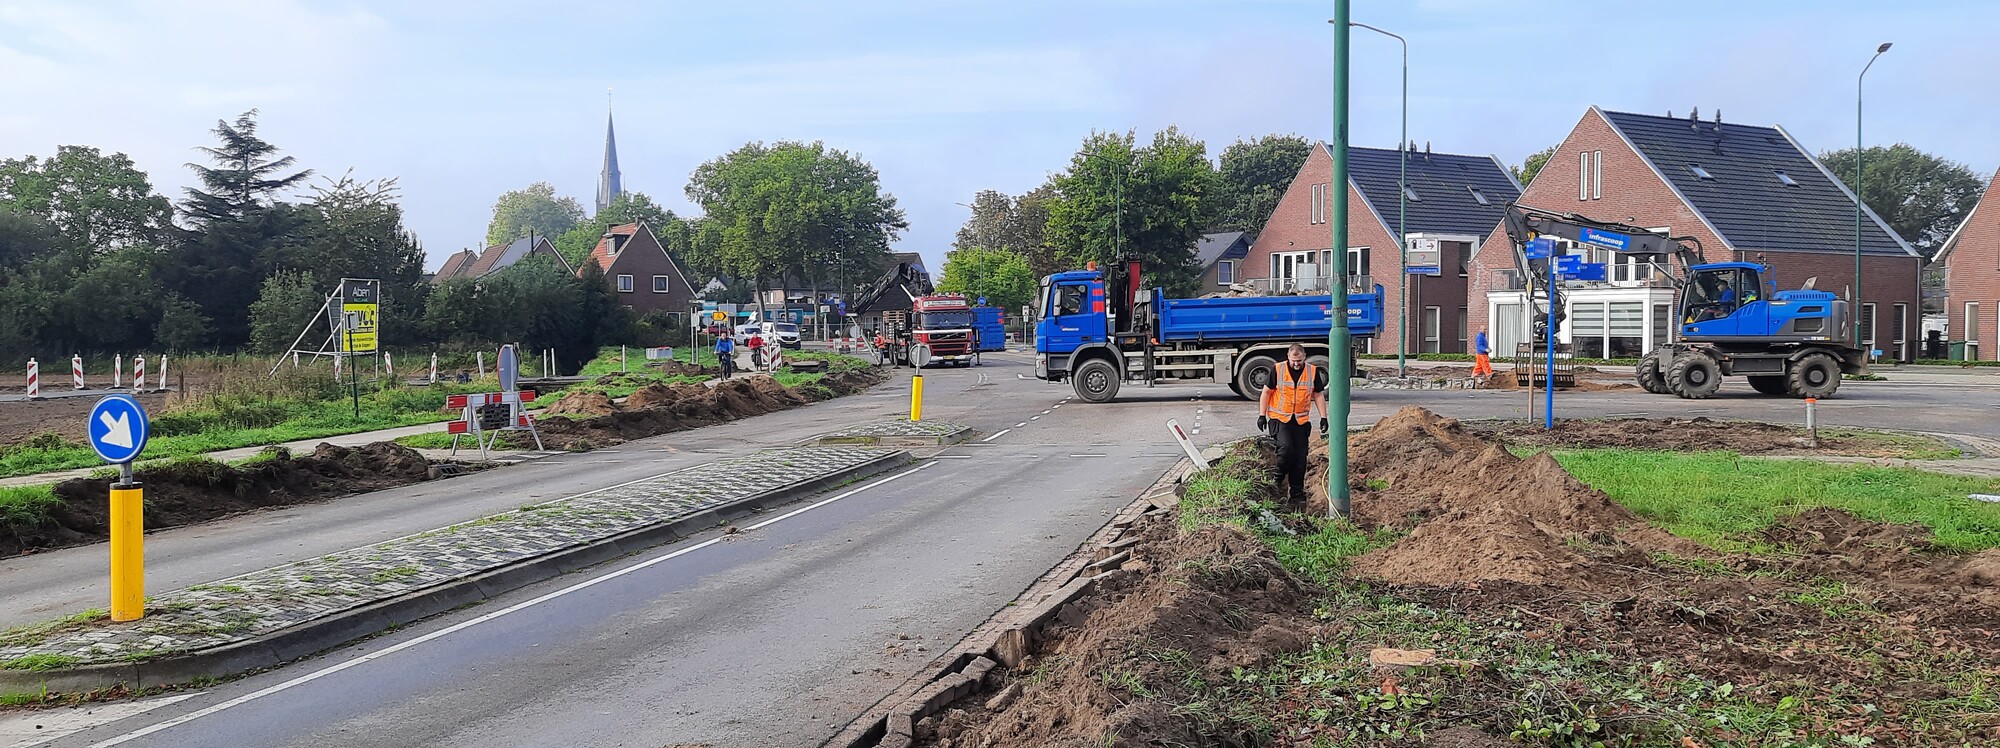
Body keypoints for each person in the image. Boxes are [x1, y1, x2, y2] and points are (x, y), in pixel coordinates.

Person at [1257, 343, 1329, 507]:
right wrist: (1262, 415)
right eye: (1293, 360)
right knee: (1286, 449)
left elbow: (1317, 394)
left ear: (1304, 357)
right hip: (1279, 419)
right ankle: (1278, 482)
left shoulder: (1312, 371)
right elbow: (1267, 392)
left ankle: (1297, 493)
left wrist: (1324, 417)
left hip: (1300, 421)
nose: (1296, 364)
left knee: (1300, 457)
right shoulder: (1278, 369)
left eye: (1299, 361)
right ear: (1288, 357)